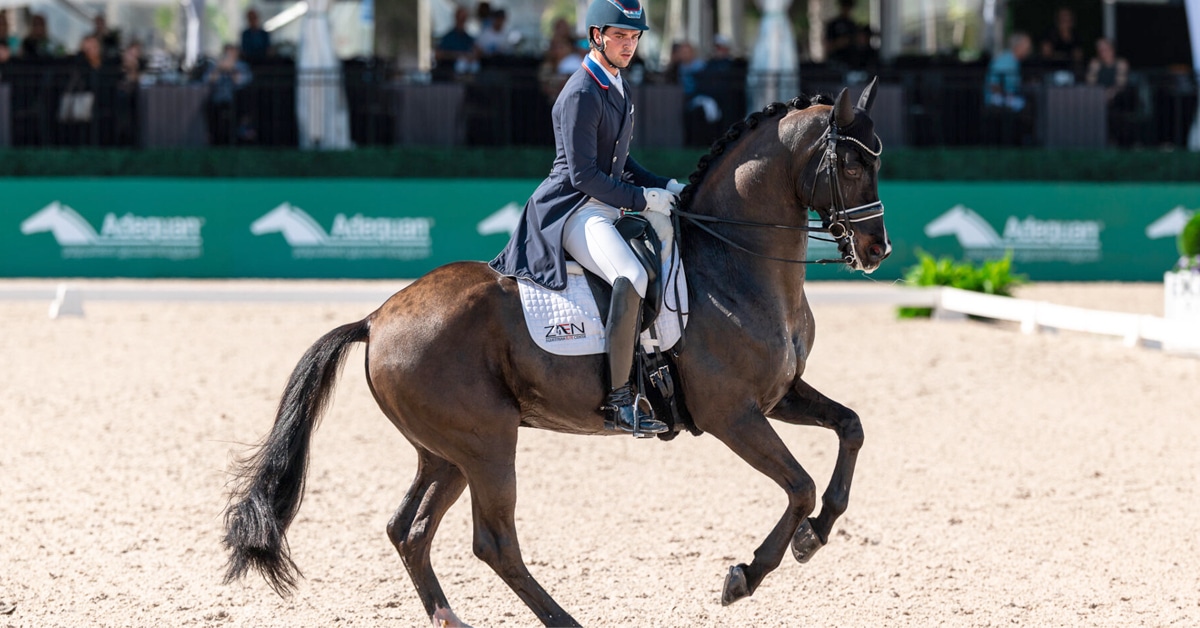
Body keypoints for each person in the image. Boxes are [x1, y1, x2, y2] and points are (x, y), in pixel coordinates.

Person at [490, 0, 685, 436]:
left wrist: (665, 186)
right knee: (631, 275)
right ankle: (619, 401)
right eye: (620, 35)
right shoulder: (581, 91)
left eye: (634, 37)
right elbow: (584, 175)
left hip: (605, 200)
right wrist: (640, 199)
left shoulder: (617, 83)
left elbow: (621, 159)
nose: (628, 44)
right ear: (596, 35)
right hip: (574, 209)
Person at [984, 31, 1034, 145]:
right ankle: (1022, 139)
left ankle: (1022, 139)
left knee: (1028, 104)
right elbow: (993, 84)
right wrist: (1007, 95)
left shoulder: (1015, 61)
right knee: (1026, 106)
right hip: (997, 98)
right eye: (1027, 47)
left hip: (1008, 97)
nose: (1029, 50)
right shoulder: (1005, 60)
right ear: (1018, 46)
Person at [1085, 37, 1136, 146]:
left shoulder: (1121, 63)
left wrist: (1109, 94)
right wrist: (1093, 69)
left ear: (1112, 50)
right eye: (1100, 50)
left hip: (1117, 101)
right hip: (1097, 99)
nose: (1103, 52)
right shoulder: (1096, 64)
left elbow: (1120, 84)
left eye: (1105, 49)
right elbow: (1090, 84)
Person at [203, 44, 253, 145]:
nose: (229, 54)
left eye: (232, 52)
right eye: (227, 52)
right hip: (217, 100)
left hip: (237, 101)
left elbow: (242, 81)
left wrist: (232, 69)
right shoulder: (216, 65)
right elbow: (208, 80)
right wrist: (219, 69)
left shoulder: (242, 66)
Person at [434, 6, 478, 79]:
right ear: (456, 18)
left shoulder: (469, 39)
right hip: (450, 70)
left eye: (464, 19)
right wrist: (455, 55)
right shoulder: (448, 38)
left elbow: (474, 53)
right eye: (460, 18)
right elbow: (438, 54)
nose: (462, 21)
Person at [1040, 7, 1083, 75]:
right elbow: (1046, 54)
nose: (1065, 21)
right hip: (1051, 71)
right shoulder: (1050, 34)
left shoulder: (1076, 36)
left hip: (1071, 71)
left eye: (1067, 19)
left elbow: (1078, 56)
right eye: (1062, 19)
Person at [824, 0, 860, 66]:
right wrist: (838, 43)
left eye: (848, 7)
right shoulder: (833, 24)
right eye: (845, 6)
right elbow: (827, 46)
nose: (846, 10)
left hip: (851, 60)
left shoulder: (852, 25)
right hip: (836, 60)